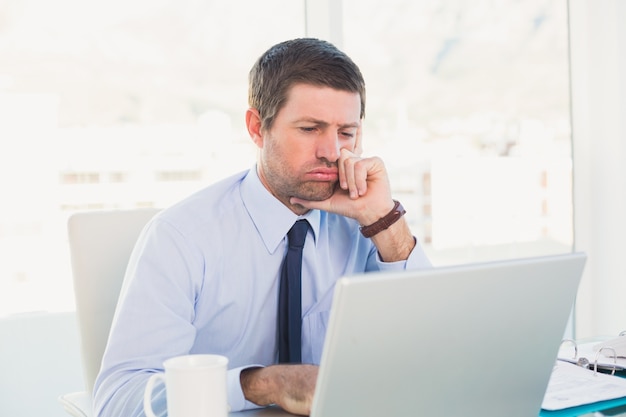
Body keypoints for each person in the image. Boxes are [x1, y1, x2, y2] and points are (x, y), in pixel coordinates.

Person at [93, 37, 431, 417]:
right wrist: (260, 384)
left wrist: (387, 223)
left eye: (346, 133)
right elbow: (118, 400)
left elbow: (435, 351)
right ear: (257, 128)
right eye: (309, 129)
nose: (333, 152)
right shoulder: (180, 237)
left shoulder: (364, 224)